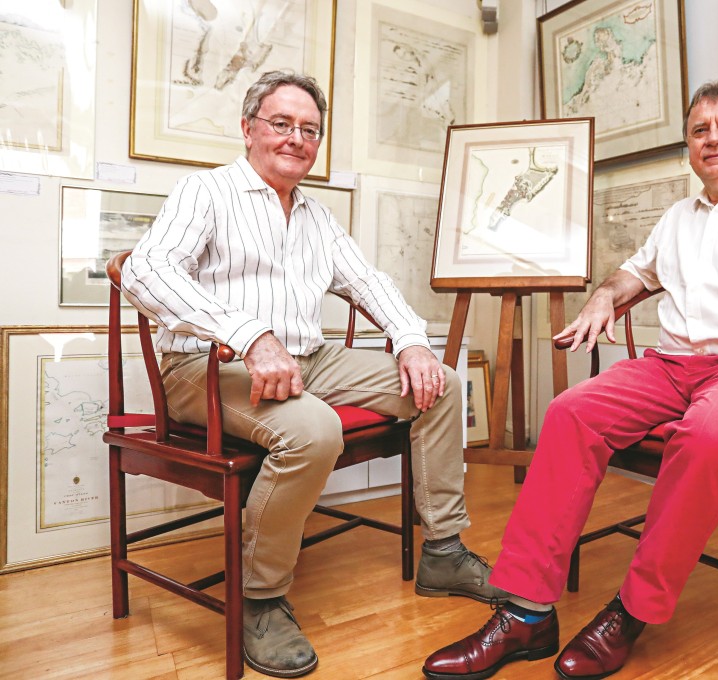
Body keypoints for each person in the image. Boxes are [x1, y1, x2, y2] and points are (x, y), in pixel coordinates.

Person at [422, 80, 718, 679]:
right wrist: (605, 298)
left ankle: (632, 610)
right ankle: (527, 613)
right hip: (672, 367)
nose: (713, 138)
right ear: (689, 148)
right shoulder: (676, 219)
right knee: (569, 412)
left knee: (709, 434)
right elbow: (632, 275)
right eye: (699, 130)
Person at [120, 70, 505, 679]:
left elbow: (368, 283)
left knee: (441, 386)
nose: (296, 138)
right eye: (281, 124)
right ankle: (260, 597)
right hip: (204, 368)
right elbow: (146, 272)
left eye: (310, 129)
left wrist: (411, 343)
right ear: (248, 130)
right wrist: (248, 335)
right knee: (314, 430)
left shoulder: (316, 217)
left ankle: (443, 551)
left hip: (310, 360)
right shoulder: (206, 192)